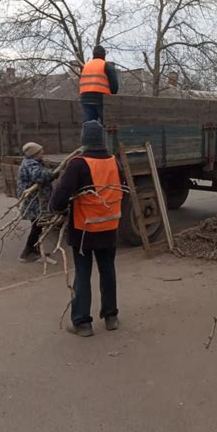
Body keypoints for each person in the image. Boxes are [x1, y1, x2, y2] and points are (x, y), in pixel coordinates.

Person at [50, 120, 123, 337]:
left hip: (84, 230)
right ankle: (111, 317)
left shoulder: (78, 163)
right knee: (107, 270)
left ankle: (82, 323)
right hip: (110, 226)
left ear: (84, 140)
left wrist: (58, 208)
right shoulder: (114, 162)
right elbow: (123, 189)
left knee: (83, 274)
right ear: (102, 139)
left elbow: (59, 199)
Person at [17, 141, 56, 262]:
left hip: (35, 200)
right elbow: (39, 176)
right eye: (40, 152)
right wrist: (53, 173)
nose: (43, 153)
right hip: (34, 201)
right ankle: (27, 252)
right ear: (34, 154)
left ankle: (35, 251)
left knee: (38, 225)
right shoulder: (30, 164)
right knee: (37, 226)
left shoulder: (33, 162)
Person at [79, 45, 119, 124]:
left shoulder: (85, 66)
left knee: (88, 124)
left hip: (85, 99)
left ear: (93, 55)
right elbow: (114, 87)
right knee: (106, 123)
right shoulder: (107, 66)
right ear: (104, 55)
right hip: (101, 99)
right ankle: (103, 135)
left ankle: (87, 136)